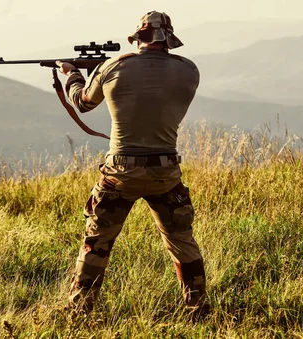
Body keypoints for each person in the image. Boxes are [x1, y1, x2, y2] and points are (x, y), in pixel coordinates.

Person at [56, 11, 209, 317]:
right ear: (169, 39)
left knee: (97, 241)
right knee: (181, 240)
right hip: (165, 171)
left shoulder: (114, 66)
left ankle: (80, 312)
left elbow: (83, 103)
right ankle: (197, 308)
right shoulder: (190, 71)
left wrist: (73, 75)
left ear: (138, 37)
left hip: (119, 172)